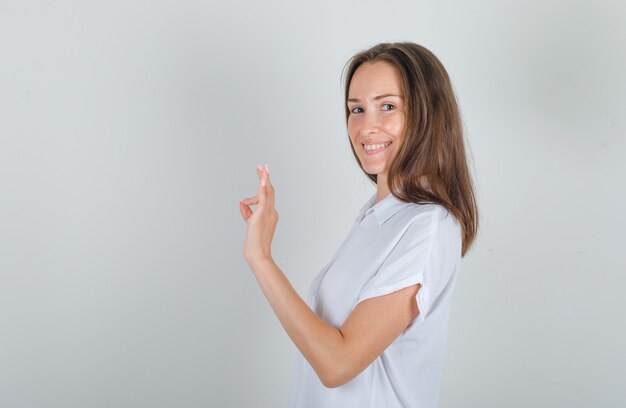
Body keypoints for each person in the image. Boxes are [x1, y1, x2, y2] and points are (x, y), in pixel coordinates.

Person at [238, 41, 479, 408]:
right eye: (356, 109)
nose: (367, 126)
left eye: (387, 106)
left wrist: (261, 259)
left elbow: (338, 364)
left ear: (427, 114)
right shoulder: (376, 215)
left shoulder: (429, 225)